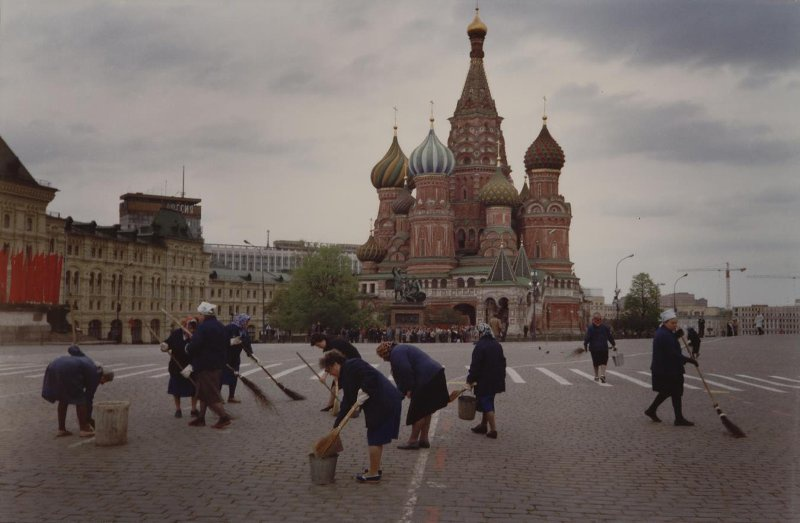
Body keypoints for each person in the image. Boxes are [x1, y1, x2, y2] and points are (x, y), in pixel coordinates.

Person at [320, 349, 402, 483]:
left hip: (384, 401)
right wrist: (336, 427)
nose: (330, 374)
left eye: (329, 371)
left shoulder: (353, 364)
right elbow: (347, 403)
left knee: (374, 437)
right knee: (376, 436)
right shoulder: (346, 375)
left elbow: (370, 376)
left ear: (335, 364)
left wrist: (364, 389)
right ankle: (375, 468)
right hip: (382, 401)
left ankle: (373, 473)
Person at [376, 341, 449, 450]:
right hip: (435, 374)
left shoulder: (396, 354)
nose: (383, 360)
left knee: (417, 412)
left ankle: (413, 441)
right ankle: (424, 439)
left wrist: (408, 389)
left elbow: (405, 372)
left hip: (426, 378)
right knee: (426, 409)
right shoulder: (401, 349)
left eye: (382, 356)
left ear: (385, 353)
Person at [41, 345, 114, 437]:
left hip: (54, 365)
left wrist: (74, 345)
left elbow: (73, 349)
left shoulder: (87, 360)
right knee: (81, 400)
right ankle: (84, 429)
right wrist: (88, 419)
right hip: (69, 370)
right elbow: (89, 397)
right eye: (104, 381)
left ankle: (61, 429)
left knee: (63, 398)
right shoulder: (96, 374)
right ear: (103, 375)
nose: (102, 384)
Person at [184, 301, 233, 429]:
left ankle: (224, 417)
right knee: (202, 393)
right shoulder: (220, 326)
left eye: (199, 314)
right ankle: (201, 418)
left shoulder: (203, 327)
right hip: (217, 364)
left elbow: (195, 345)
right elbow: (227, 343)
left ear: (204, 315)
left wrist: (188, 347)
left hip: (206, 365)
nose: (198, 317)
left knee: (210, 394)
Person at [645, 309, 698, 426]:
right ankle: (674, 417)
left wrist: (676, 336)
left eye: (676, 323)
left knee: (672, 392)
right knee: (671, 391)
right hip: (666, 369)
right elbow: (672, 354)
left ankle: (655, 411)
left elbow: (671, 345)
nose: (675, 325)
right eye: (672, 323)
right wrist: (689, 360)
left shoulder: (665, 332)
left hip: (668, 368)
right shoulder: (663, 335)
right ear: (665, 322)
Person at [466, 322, 506, 439]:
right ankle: (483, 425)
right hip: (496, 378)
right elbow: (503, 362)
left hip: (484, 379)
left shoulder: (480, 346)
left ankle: (493, 430)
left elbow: (475, 366)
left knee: (486, 402)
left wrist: (470, 380)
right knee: (488, 400)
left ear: (480, 333)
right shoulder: (497, 344)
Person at [310, 332, 361, 412]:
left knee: (349, 385)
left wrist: (325, 375)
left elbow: (333, 361)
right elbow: (330, 362)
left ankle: (354, 407)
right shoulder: (329, 344)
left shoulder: (334, 344)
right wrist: (327, 375)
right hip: (345, 362)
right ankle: (330, 404)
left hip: (353, 362)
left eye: (318, 345)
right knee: (335, 384)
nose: (319, 347)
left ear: (322, 340)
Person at [161, 316, 199, 418]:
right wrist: (165, 346)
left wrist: (192, 366)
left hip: (191, 367)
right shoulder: (176, 334)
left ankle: (194, 409)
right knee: (176, 389)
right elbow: (168, 342)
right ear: (184, 325)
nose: (192, 329)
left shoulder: (196, 336)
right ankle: (178, 409)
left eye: (193, 327)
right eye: (190, 326)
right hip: (176, 366)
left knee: (194, 389)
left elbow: (200, 353)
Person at [222, 313, 254, 403]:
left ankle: (231, 396)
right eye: (246, 321)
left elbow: (247, 343)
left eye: (247, 322)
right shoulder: (229, 328)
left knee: (234, 376)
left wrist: (251, 354)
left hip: (235, 357)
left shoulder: (243, 330)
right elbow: (223, 340)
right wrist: (234, 341)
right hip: (226, 356)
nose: (247, 324)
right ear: (241, 320)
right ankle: (218, 396)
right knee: (221, 376)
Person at [583, 312, 617, 383]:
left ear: (593, 320)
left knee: (596, 362)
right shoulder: (605, 327)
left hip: (594, 349)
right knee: (603, 361)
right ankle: (602, 375)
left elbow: (587, 338)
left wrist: (585, 346)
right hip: (603, 348)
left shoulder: (590, 328)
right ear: (600, 319)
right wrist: (613, 344)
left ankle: (596, 376)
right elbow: (610, 337)